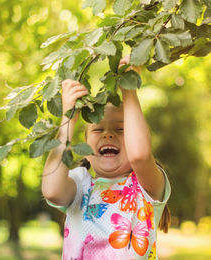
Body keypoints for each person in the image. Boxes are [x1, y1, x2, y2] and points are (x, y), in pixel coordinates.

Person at [42, 56, 171, 259]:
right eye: (98, 129)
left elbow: (139, 156)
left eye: (121, 129)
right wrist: (67, 120)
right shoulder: (81, 185)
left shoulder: (146, 188)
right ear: (85, 144)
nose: (108, 134)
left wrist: (129, 91)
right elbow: (52, 191)